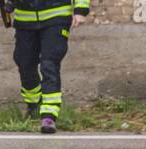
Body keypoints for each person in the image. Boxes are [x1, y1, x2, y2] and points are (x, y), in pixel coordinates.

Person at [9, 0, 90, 134]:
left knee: (49, 64)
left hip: (56, 16)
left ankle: (49, 117)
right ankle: (34, 104)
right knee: (24, 63)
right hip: (25, 18)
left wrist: (80, 10)